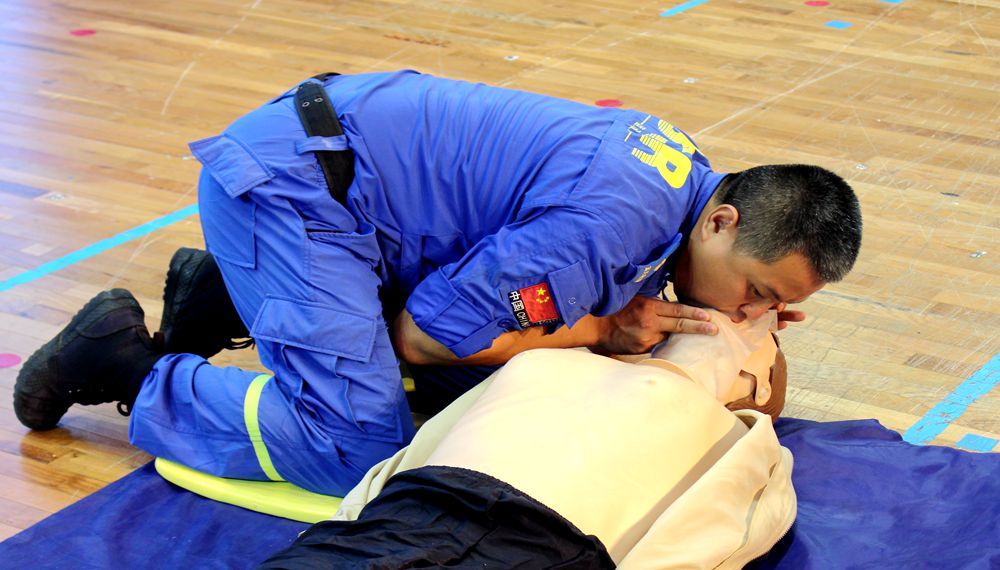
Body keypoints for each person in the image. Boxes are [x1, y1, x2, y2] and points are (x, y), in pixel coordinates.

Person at [12, 70, 862, 496]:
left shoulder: (690, 186)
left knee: (480, 383)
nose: (752, 315)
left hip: (345, 176)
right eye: (755, 291)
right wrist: (602, 331)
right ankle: (125, 363)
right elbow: (427, 334)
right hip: (293, 191)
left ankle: (222, 294)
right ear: (722, 224)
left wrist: (618, 325)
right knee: (358, 447)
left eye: (776, 308)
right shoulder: (605, 225)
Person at [256, 310, 794, 569]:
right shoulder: (733, 432)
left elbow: (398, 470)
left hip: (416, 517)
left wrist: (342, 533)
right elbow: (725, 535)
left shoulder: (540, 365)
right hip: (499, 536)